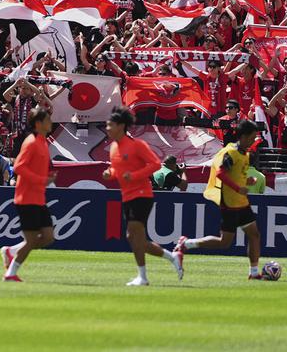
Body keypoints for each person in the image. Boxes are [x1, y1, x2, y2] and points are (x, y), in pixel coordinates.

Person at [103, 107, 184, 286]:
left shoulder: (136, 145)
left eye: (110, 125)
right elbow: (117, 168)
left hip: (141, 194)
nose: (107, 128)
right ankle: (173, 257)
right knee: (135, 239)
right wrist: (110, 173)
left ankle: (143, 277)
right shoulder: (114, 147)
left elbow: (155, 164)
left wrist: (134, 175)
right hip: (127, 195)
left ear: (121, 126)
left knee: (134, 233)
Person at [175, 120, 263, 279]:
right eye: (251, 137)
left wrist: (246, 182)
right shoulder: (231, 153)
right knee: (224, 242)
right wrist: (238, 188)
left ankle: (254, 273)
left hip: (241, 202)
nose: (252, 141)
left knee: (254, 234)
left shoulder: (245, 154)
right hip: (229, 202)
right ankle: (186, 244)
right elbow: (220, 174)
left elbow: (235, 176)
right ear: (242, 136)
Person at [2, 106, 56, 282]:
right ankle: (11, 273)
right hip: (26, 198)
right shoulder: (31, 142)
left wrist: (47, 177)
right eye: (48, 119)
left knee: (48, 237)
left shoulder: (42, 141)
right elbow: (18, 167)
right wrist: (41, 180)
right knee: (32, 240)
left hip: (38, 197)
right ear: (39, 123)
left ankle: (11, 251)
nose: (51, 122)